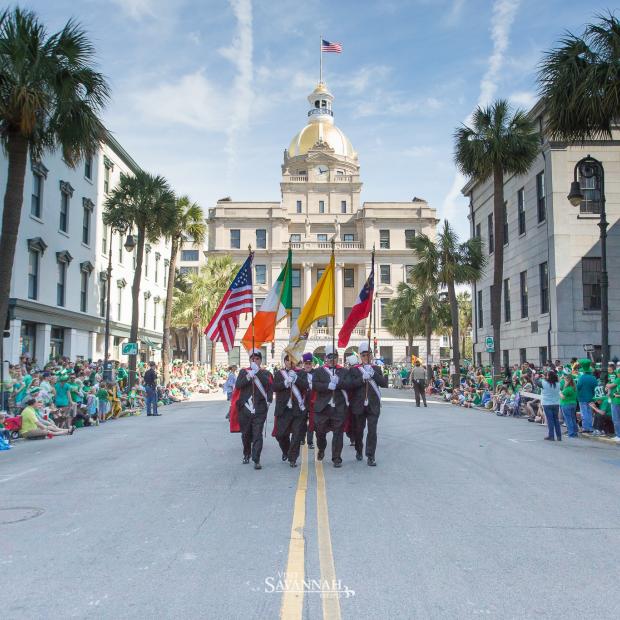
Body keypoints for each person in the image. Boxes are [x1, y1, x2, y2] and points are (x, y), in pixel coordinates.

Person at [348, 341, 388, 466]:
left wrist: (373, 374)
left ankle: (371, 456)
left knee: (372, 431)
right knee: (359, 430)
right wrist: (362, 379)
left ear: (371, 355)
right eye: (364, 355)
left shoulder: (376, 368)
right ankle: (359, 449)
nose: (366, 357)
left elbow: (384, 383)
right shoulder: (354, 370)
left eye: (368, 354)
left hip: (373, 405)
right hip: (359, 405)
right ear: (360, 356)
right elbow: (350, 385)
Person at [311, 344, 350, 468]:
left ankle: (336, 458)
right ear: (325, 358)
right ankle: (321, 448)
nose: (333, 359)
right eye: (330, 356)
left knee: (338, 433)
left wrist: (338, 382)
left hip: (338, 408)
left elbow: (350, 384)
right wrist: (328, 385)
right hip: (323, 407)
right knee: (320, 432)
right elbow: (315, 385)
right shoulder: (319, 371)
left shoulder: (344, 371)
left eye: (335, 356)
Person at [235, 349, 273, 469]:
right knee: (246, 434)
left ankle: (256, 459)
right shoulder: (243, 372)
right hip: (245, 408)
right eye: (253, 359)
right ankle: (247, 453)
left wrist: (258, 373)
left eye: (257, 359)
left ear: (261, 360)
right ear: (250, 360)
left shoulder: (265, 373)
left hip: (259, 408)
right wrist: (248, 376)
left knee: (257, 434)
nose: (255, 360)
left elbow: (268, 385)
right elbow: (238, 385)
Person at [273, 354, 309, 467]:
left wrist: (296, 379)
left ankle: (293, 458)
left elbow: (306, 385)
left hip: (298, 409)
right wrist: (284, 383)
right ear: (284, 361)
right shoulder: (279, 373)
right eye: (287, 360)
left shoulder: (301, 373)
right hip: (284, 409)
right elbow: (274, 387)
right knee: (280, 434)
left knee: (297, 435)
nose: (290, 362)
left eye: (292, 360)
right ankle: (286, 451)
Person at [537, 369, 562, 441]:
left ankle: (551, 435)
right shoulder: (558, 384)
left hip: (547, 403)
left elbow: (536, 381)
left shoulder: (544, 383)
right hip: (556, 403)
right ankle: (559, 436)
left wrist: (540, 377)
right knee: (556, 420)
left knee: (550, 420)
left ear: (548, 376)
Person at [576, 359, 598, 434]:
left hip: (582, 398)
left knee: (584, 413)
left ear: (584, 371)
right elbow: (596, 388)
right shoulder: (593, 378)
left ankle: (585, 428)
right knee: (589, 413)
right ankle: (590, 427)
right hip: (591, 398)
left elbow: (578, 387)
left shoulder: (581, 378)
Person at [301, 353, 315, 449]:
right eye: (306, 364)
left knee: (312, 422)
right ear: (303, 364)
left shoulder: (317, 373)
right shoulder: (300, 373)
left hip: (313, 401)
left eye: (309, 364)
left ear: (312, 364)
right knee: (302, 421)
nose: (308, 365)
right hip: (302, 401)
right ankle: (302, 438)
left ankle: (310, 441)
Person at [559, 372, 578, 438]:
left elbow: (563, 396)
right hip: (573, 403)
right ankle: (575, 432)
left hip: (566, 404)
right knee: (572, 418)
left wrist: (559, 392)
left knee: (568, 419)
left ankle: (571, 433)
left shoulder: (567, 388)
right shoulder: (574, 388)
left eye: (565, 380)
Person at [606, 369, 620, 443]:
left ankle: (618, 435)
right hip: (615, 401)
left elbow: (609, 385)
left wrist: (608, 385)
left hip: (616, 401)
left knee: (616, 419)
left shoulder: (618, 380)